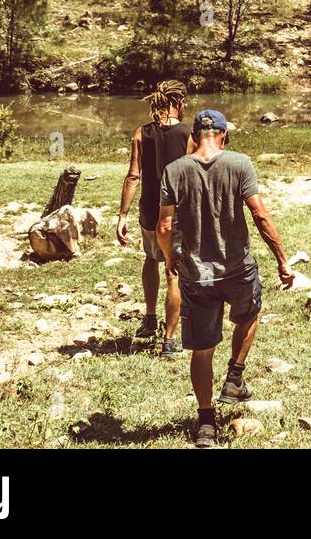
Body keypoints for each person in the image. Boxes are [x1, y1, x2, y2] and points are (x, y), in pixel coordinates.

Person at [157, 109, 297, 448]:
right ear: (223, 135)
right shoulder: (240, 164)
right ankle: (234, 377)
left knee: (202, 350)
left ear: (195, 136)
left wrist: (170, 256)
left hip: (196, 274)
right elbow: (261, 215)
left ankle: (206, 424)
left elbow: (164, 227)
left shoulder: (174, 170)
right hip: (237, 268)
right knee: (249, 314)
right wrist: (282, 259)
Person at [116, 79, 194, 356]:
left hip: (149, 210)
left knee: (151, 259)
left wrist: (122, 216)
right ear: (180, 103)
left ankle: (150, 318)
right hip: (175, 213)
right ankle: (170, 341)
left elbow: (132, 176)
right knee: (173, 272)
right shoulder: (188, 134)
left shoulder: (141, 133)